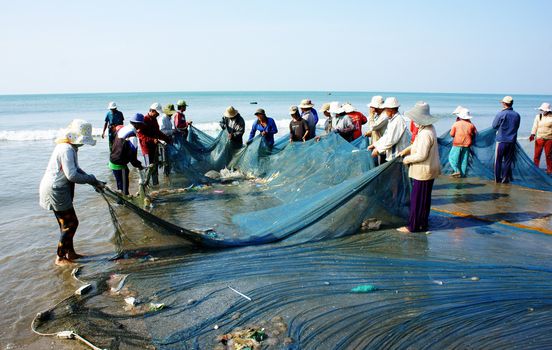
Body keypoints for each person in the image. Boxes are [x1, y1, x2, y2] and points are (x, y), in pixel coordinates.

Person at [39, 119, 103, 266]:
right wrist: (90, 179)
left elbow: (76, 169)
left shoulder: (68, 147)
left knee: (65, 224)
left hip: (59, 188)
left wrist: (94, 180)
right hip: (56, 189)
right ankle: (60, 258)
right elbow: (72, 175)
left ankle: (70, 253)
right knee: (71, 224)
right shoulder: (66, 149)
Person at [397, 102, 441, 233]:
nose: (413, 121)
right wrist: (406, 150)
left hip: (423, 170)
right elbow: (417, 145)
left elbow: (421, 155)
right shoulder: (429, 129)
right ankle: (422, 223)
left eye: (414, 119)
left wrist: (407, 159)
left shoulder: (425, 134)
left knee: (417, 200)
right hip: (429, 170)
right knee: (424, 199)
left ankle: (412, 226)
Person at [137, 103, 172, 186]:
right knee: (149, 168)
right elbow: (140, 135)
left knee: (155, 167)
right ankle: (146, 186)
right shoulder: (144, 120)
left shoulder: (154, 120)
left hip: (154, 147)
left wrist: (166, 139)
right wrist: (152, 140)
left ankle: (156, 185)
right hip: (147, 149)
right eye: (157, 113)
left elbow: (157, 132)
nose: (158, 114)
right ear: (152, 111)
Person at [109, 114, 145, 195]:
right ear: (137, 124)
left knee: (120, 186)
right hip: (119, 163)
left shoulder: (124, 128)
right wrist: (139, 166)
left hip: (112, 160)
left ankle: (120, 204)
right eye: (141, 124)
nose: (142, 126)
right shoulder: (132, 136)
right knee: (124, 190)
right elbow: (133, 158)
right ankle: (123, 205)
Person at [492, 96, 521, 183]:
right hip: (512, 141)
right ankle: (505, 178)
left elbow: (494, 126)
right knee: (508, 161)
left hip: (501, 141)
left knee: (498, 160)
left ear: (504, 104)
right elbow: (517, 127)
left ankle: (497, 179)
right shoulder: (517, 115)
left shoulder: (501, 114)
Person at [449, 108, 477, 177]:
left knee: (452, 158)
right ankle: (463, 175)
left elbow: (451, 134)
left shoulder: (456, 124)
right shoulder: (471, 125)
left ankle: (457, 171)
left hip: (457, 144)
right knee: (464, 160)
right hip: (467, 144)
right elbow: (475, 133)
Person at [530, 103, 552, 174]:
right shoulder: (538, 116)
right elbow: (535, 126)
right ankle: (535, 169)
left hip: (549, 139)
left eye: (543, 110)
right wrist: (532, 134)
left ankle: (549, 170)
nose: (542, 111)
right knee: (537, 155)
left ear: (548, 110)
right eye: (541, 110)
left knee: (548, 155)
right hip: (539, 138)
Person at [365, 96, 387, 164]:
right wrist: (371, 133)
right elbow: (375, 128)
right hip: (376, 144)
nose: (371, 109)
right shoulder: (378, 115)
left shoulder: (384, 116)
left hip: (381, 147)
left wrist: (371, 114)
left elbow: (373, 127)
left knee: (380, 164)